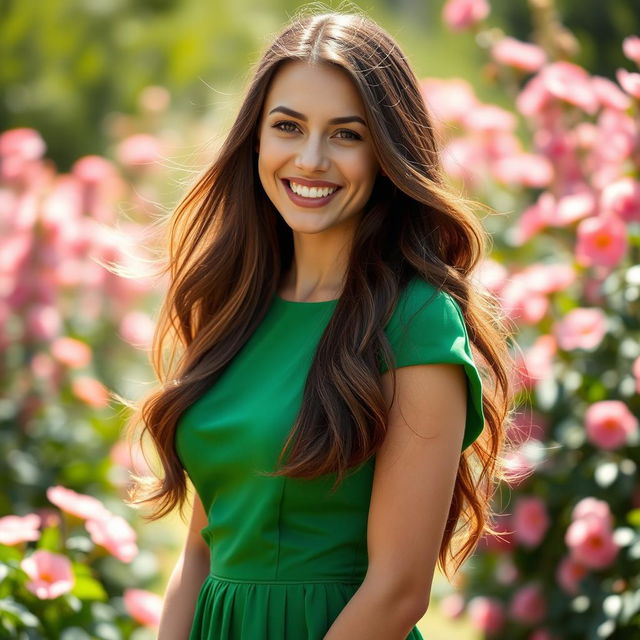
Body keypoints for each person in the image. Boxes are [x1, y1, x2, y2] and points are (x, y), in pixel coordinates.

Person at [124, 8, 517, 640]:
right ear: (256, 139)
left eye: (346, 134)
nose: (310, 159)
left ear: (388, 153)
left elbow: (398, 592)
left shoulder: (416, 321)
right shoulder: (235, 307)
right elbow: (201, 552)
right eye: (288, 126)